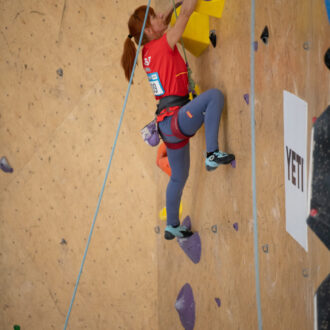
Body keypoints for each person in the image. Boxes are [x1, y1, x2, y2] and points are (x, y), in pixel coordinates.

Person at [121, 0, 235, 240]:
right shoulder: (162, 45)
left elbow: (172, 23)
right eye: (154, 16)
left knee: (179, 177)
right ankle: (212, 153)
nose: (159, 16)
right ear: (150, 30)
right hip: (176, 118)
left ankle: (172, 226)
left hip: (168, 126)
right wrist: (181, 6)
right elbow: (186, 14)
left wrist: (167, 12)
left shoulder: (147, 53)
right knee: (214, 96)